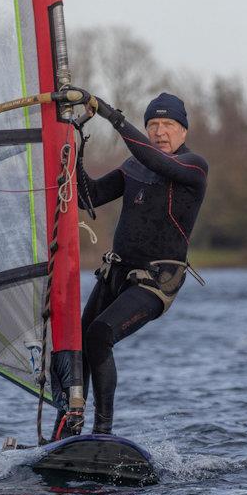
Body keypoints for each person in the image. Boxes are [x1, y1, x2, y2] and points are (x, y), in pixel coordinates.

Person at [58, 92, 208, 437]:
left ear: (183, 131)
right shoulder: (133, 167)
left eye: (169, 124)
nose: (160, 131)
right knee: (77, 342)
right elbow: (88, 197)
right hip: (117, 272)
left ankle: (103, 433)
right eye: (153, 124)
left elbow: (156, 160)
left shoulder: (193, 167)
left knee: (100, 336)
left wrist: (114, 118)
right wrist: (71, 150)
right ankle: (66, 430)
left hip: (156, 281)